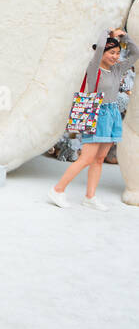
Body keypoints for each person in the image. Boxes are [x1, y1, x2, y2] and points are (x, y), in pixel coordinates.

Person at [48, 28, 139, 210]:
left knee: (99, 159)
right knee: (86, 158)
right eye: (111, 52)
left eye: (117, 53)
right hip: (96, 114)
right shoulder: (94, 68)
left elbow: (136, 53)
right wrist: (109, 32)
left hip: (112, 115)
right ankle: (57, 190)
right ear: (103, 52)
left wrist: (124, 38)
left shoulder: (117, 70)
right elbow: (98, 49)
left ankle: (90, 197)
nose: (115, 57)